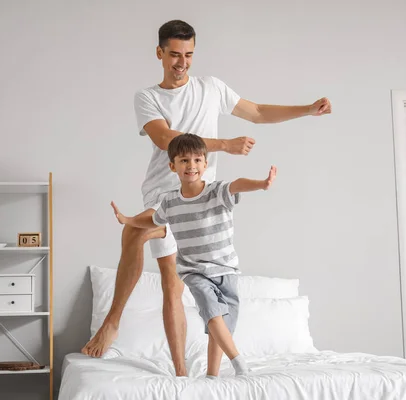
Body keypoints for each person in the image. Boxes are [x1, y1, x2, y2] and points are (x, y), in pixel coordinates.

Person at [81, 19, 331, 377]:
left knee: (179, 277)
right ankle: (145, 346)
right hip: (164, 191)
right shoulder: (148, 97)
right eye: (174, 55)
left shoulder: (211, 88)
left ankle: (184, 369)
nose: (181, 62)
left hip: (202, 198)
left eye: (188, 55)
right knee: (150, 255)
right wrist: (224, 146)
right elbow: (167, 139)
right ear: (159, 54)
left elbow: (258, 112)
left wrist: (306, 109)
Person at [110, 133, 276, 377]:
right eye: (184, 161)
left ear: (205, 164)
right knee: (212, 311)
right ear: (172, 166)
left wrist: (261, 184)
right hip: (194, 270)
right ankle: (239, 362)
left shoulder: (217, 192)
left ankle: (212, 375)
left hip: (226, 269)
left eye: (197, 160)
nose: (191, 166)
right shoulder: (170, 202)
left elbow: (237, 183)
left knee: (222, 328)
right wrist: (128, 219)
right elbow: (151, 219)